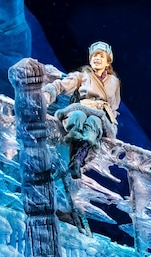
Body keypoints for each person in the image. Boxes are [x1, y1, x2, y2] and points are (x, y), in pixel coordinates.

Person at [42, 41, 121, 177]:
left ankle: (77, 160)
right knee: (78, 116)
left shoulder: (114, 82)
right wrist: (49, 92)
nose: (97, 58)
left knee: (94, 123)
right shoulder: (82, 76)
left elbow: (114, 105)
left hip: (100, 114)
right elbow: (62, 84)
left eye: (101, 56)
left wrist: (111, 123)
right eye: (94, 56)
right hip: (83, 107)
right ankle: (74, 160)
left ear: (108, 62)